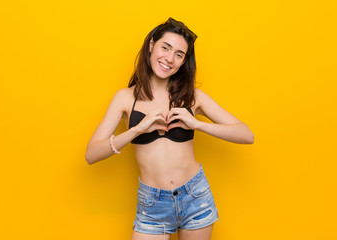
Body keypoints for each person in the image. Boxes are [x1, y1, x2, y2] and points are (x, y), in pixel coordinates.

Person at [85, 17, 254, 240]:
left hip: (196, 198)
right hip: (152, 205)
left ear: (184, 62)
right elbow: (91, 154)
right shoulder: (125, 99)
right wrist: (136, 130)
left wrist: (197, 124)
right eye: (165, 48)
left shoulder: (193, 97)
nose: (169, 59)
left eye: (179, 54)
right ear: (151, 45)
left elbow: (246, 135)